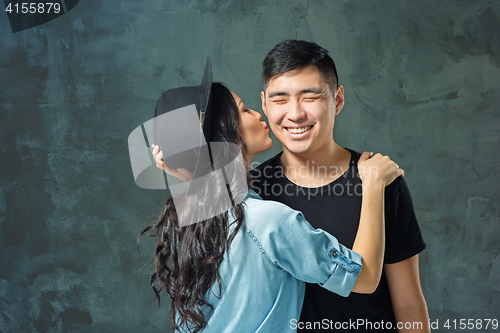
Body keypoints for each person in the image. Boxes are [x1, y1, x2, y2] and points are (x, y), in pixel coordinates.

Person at [145, 77, 404, 332]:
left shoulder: (190, 223)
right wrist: (371, 183)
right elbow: (364, 278)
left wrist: (189, 169)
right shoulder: (270, 223)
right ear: (227, 131)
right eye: (244, 110)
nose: (259, 115)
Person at [251, 40, 429, 332]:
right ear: (264, 104)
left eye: (310, 97)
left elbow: (408, 302)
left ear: (338, 99)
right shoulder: (251, 192)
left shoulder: (382, 180)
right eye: (280, 99)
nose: (294, 114)